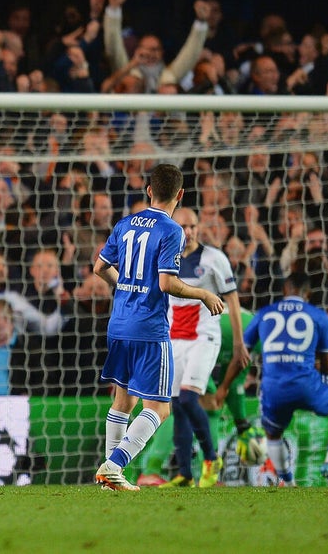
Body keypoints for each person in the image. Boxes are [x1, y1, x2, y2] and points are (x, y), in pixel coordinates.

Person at [93, 163, 225, 491]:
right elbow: (167, 283)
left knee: (122, 402)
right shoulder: (171, 230)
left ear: (149, 190)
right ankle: (114, 466)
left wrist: (125, 287)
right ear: (180, 195)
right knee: (160, 408)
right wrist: (203, 293)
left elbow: (99, 267)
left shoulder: (124, 225)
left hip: (119, 323)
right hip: (149, 328)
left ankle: (112, 475)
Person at [219, 272, 328, 486]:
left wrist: (224, 387)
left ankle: (287, 482)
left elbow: (241, 355)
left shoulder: (263, 314)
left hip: (272, 387)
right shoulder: (318, 316)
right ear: (308, 294)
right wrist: (315, 369)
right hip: (306, 384)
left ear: (284, 290)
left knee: (273, 433)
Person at [159, 207, 250, 488]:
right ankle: (185, 473)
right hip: (175, 339)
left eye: (193, 226)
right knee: (177, 404)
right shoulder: (163, 258)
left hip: (204, 337)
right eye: (183, 226)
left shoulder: (214, 259)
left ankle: (211, 459)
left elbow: (232, 299)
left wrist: (238, 342)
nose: (188, 232)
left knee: (188, 398)